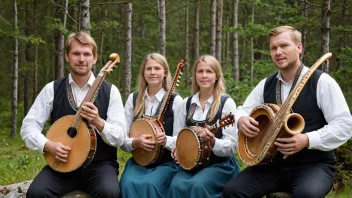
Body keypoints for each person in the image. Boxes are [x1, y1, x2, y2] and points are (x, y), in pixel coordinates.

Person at [223, 26, 352, 198]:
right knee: (233, 191)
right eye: (273, 48)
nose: (278, 52)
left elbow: (345, 126)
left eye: (284, 46)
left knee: (307, 195)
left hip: (314, 165)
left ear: (299, 48)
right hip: (271, 166)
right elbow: (242, 110)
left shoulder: (322, 82)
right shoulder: (266, 84)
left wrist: (307, 139)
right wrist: (241, 120)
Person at [20, 32, 126, 198]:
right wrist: (48, 145)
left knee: (110, 193)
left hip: (99, 166)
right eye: (76, 53)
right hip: (62, 166)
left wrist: (99, 122)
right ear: (67, 57)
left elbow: (120, 138)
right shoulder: (52, 89)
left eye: (86, 54)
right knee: (36, 193)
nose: (81, 59)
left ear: (95, 58)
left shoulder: (110, 91)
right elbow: (28, 127)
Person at [167, 55, 240, 198]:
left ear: (217, 76)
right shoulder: (186, 104)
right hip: (191, 164)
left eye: (209, 71)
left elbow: (232, 146)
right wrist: (177, 149)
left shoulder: (226, 103)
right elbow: (178, 137)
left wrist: (213, 141)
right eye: (200, 71)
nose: (204, 75)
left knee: (197, 185)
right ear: (195, 75)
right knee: (176, 185)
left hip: (219, 164)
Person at [120, 53, 183, 198]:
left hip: (165, 163)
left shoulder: (176, 101)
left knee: (151, 184)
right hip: (139, 162)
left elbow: (180, 139)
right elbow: (122, 137)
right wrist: (135, 142)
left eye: (157, 68)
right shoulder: (134, 99)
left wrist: (166, 140)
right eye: (149, 69)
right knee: (126, 183)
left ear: (165, 72)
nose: (153, 72)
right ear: (143, 72)